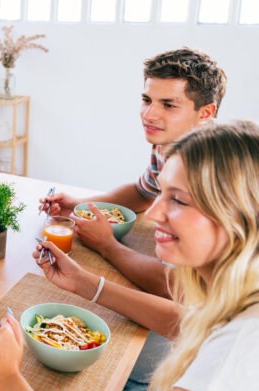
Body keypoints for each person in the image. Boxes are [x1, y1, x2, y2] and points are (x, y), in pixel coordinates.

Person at [0, 121, 259, 391]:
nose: (156, 212)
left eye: (178, 200)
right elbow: (191, 322)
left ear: (239, 215)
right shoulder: (243, 298)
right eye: (162, 194)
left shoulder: (248, 344)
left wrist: (8, 378)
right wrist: (87, 284)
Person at [40, 47, 227, 298]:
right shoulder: (167, 146)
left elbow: (175, 287)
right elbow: (143, 192)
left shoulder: (213, 174)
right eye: (147, 100)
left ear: (205, 113)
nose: (149, 115)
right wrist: (78, 205)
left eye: (169, 105)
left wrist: (108, 246)